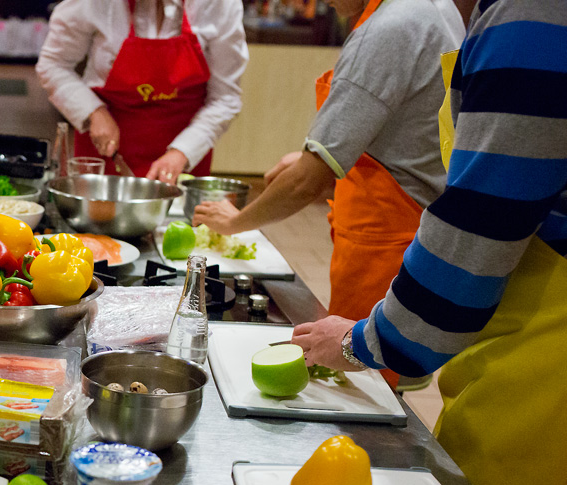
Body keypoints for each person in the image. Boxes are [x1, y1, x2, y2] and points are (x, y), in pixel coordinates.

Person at [292, 0, 567, 485]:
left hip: (548, 377)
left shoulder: (532, 17)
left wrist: (370, 341)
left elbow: (481, 222)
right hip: (522, 337)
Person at [192, 0, 463, 387]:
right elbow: (410, 129)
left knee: (362, 390)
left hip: (383, 248)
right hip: (414, 230)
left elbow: (307, 183)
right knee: (376, 377)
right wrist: (328, 155)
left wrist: (233, 222)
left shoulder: (388, 30)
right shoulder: (433, 9)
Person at [35, 0, 248, 182]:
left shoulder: (218, 4)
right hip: (105, 154)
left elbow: (225, 97)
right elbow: (53, 64)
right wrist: (93, 112)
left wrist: (182, 151)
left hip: (185, 155)